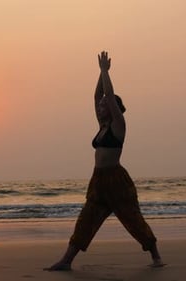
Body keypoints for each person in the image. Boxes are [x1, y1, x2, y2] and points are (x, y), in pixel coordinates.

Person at [45, 51, 164, 271]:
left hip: (117, 181)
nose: (99, 107)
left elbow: (108, 96)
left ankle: (156, 256)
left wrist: (105, 71)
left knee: (133, 220)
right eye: (99, 106)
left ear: (114, 108)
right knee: (86, 220)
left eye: (104, 105)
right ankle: (66, 261)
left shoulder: (119, 125)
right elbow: (98, 95)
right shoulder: (102, 127)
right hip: (98, 181)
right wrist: (99, 74)